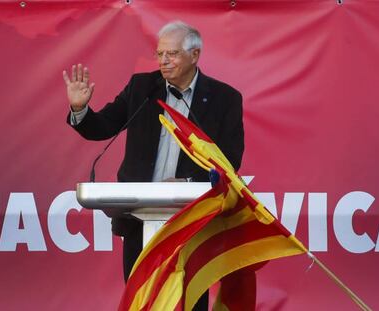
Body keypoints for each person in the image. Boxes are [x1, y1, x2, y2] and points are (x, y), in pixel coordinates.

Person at [63, 21, 244, 311]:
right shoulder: (142, 87)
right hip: (140, 219)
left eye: (171, 54)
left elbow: (229, 160)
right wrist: (80, 110)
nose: (163, 61)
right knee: (141, 301)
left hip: (191, 220)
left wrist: (186, 184)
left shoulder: (225, 99)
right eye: (160, 54)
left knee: (189, 301)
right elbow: (104, 126)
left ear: (194, 55)